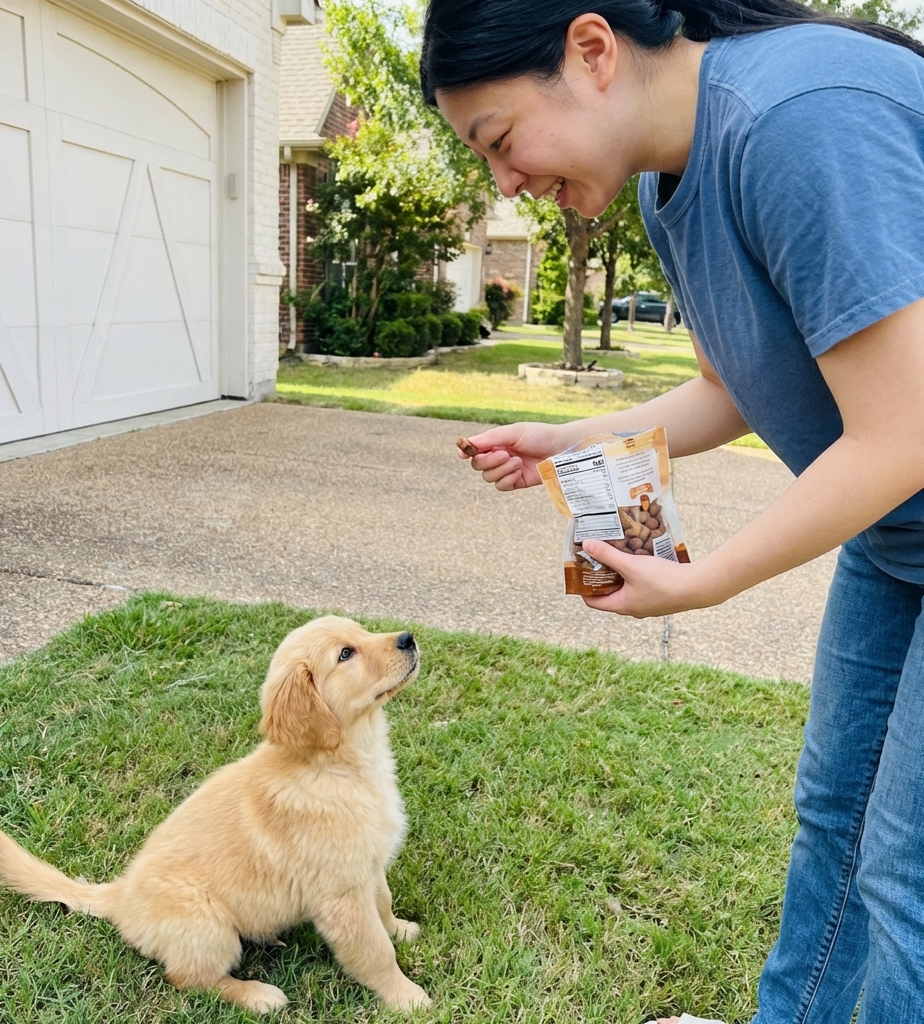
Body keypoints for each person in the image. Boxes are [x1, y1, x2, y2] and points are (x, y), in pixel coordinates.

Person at [420, 1, 924, 1022]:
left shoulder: (795, 118)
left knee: (906, 877)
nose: (502, 183)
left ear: (592, 49)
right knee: (834, 819)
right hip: (899, 531)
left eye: (500, 142)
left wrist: (702, 580)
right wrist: (571, 440)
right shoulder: (663, 184)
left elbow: (903, 426)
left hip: (902, 474)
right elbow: (736, 383)